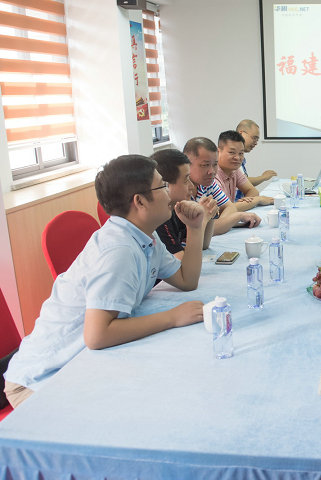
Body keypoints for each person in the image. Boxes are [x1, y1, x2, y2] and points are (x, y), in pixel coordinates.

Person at [3, 155, 207, 408]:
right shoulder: (119, 249)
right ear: (140, 201)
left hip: (80, 361)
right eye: (162, 186)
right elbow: (97, 335)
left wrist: (195, 228)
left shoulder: (144, 236)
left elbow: (187, 279)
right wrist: (172, 317)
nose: (169, 193)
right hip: (41, 379)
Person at [183, 137, 261, 234]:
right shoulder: (181, 191)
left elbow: (231, 207)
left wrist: (221, 224)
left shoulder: (207, 183)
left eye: (215, 164)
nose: (211, 171)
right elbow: (200, 231)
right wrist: (237, 217)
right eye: (205, 165)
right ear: (186, 164)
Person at [153, 148, 217, 258]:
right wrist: (201, 222)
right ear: (166, 185)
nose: (191, 186)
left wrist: (210, 213)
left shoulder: (177, 207)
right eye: (186, 180)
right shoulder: (159, 217)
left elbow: (203, 245)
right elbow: (182, 263)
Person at [215, 130, 274, 209]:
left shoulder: (234, 170)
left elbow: (252, 191)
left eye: (241, 153)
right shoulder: (212, 174)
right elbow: (225, 209)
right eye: (232, 152)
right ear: (218, 152)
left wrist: (243, 203)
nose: (237, 158)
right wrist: (257, 200)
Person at [236, 119, 277, 187]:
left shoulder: (240, 158)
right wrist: (263, 177)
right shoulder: (230, 158)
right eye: (254, 138)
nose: (256, 143)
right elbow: (241, 182)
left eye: (257, 140)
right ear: (241, 134)